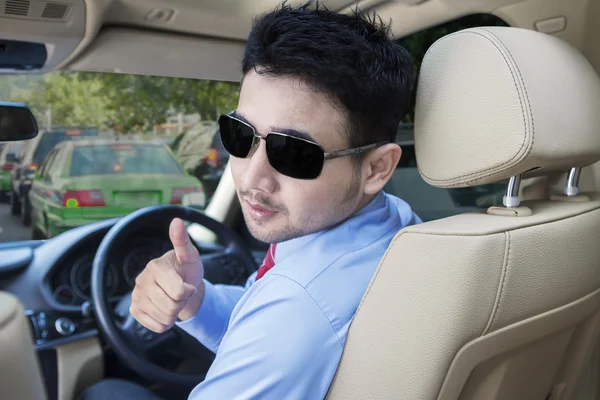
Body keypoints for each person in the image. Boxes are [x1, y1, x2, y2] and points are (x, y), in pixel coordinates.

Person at [81, 2, 421, 399]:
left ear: (377, 169)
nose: (251, 176)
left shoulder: (299, 307)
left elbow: (286, 321)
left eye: (294, 152)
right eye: (239, 134)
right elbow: (261, 319)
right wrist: (196, 300)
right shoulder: (394, 222)